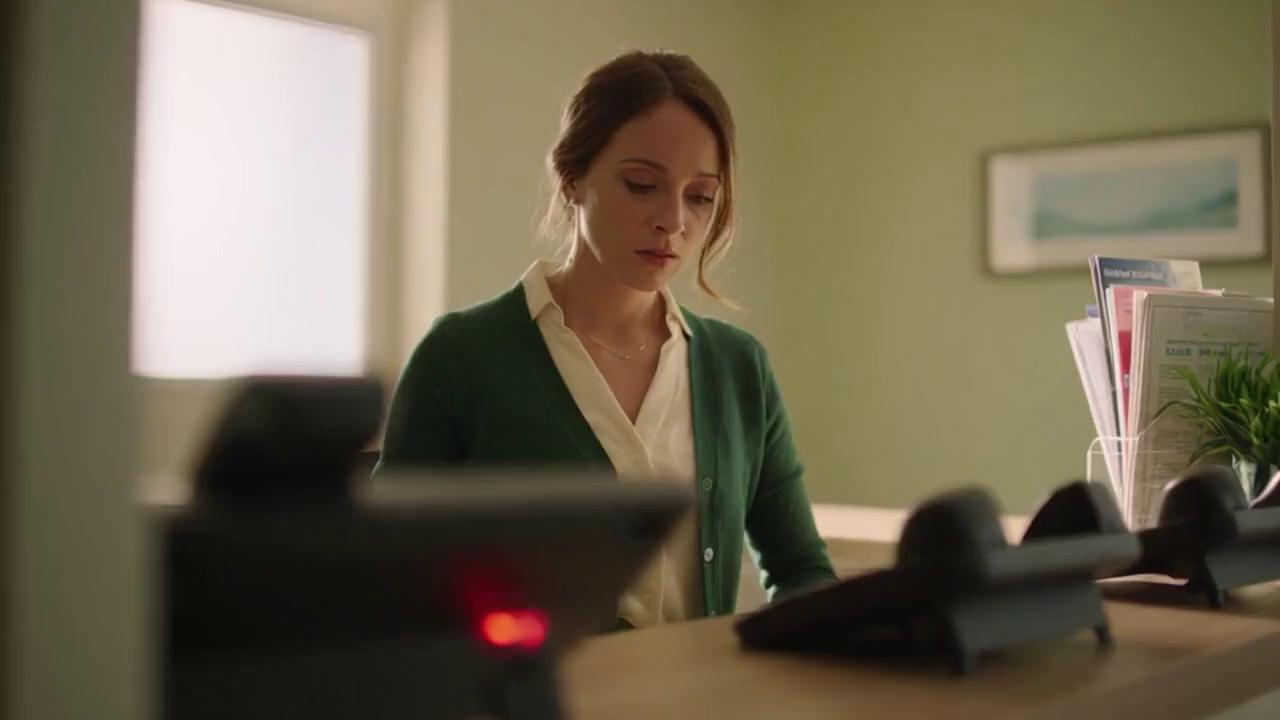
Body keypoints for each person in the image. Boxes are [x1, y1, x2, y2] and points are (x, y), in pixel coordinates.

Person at [376, 50, 835, 629]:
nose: (673, 220)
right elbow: (386, 578)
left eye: (700, 196)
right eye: (642, 185)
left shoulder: (738, 367)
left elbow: (802, 570)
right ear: (571, 179)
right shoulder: (462, 357)